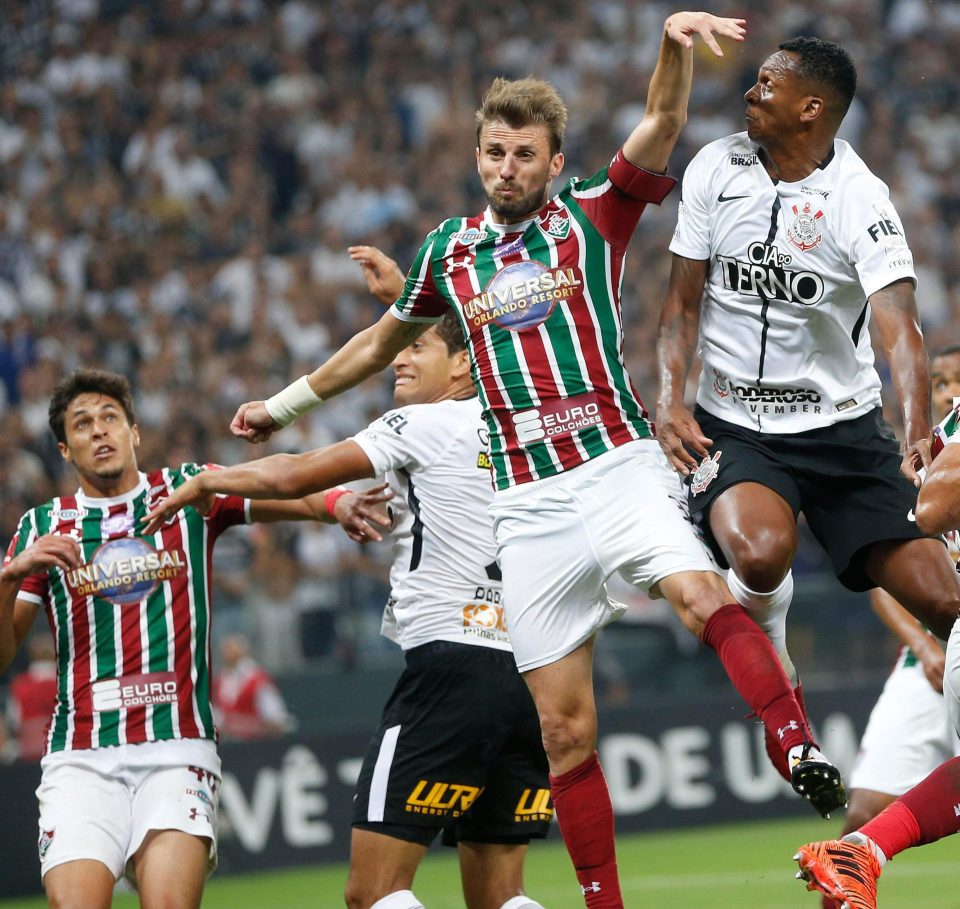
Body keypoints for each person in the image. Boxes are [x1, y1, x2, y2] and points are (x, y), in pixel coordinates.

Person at [223, 15, 848, 909]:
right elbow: (375, 344)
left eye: (523, 154)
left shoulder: (596, 213)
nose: (506, 167)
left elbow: (661, 125)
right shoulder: (449, 251)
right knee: (562, 729)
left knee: (697, 592)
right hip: (527, 504)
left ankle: (792, 740)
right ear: (478, 156)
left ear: (555, 163)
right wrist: (282, 405)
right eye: (493, 152)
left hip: (612, 460)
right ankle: (604, 904)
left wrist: (671, 45)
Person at [146, 266, 554, 909]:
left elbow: (295, 476)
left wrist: (211, 481)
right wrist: (406, 298)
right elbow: (482, 338)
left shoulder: (419, 425)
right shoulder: (526, 426)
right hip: (531, 674)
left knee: (374, 893)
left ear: (461, 368)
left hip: (450, 668)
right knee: (503, 897)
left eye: (414, 346)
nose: (397, 357)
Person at [656, 36, 960, 779]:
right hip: (737, 425)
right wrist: (669, 401)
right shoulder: (713, 169)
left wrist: (917, 428)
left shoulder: (861, 200)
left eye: (766, 85)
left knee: (949, 603)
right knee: (759, 551)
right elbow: (680, 306)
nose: (749, 94)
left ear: (811, 108)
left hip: (846, 435)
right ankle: (779, 672)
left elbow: (901, 330)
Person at [0, 368, 385, 909]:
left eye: (111, 417)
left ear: (134, 432)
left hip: (176, 748)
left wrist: (334, 503)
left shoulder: (186, 491)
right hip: (80, 755)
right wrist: (10, 576)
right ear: (65, 450)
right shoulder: (44, 526)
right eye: (82, 424)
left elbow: (276, 488)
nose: (100, 431)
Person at [795, 389, 960, 909]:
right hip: (931, 650)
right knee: (864, 805)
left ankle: (862, 852)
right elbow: (931, 511)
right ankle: (862, 847)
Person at [212, 633, 293, 740]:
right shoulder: (220, 679)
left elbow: (276, 717)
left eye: (231, 648)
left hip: (254, 743)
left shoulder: (257, 679)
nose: (226, 653)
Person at [6, 631, 58, 761]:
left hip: (28, 754)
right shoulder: (66, 681)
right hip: (63, 748)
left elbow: (14, 721)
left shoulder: (19, 685)